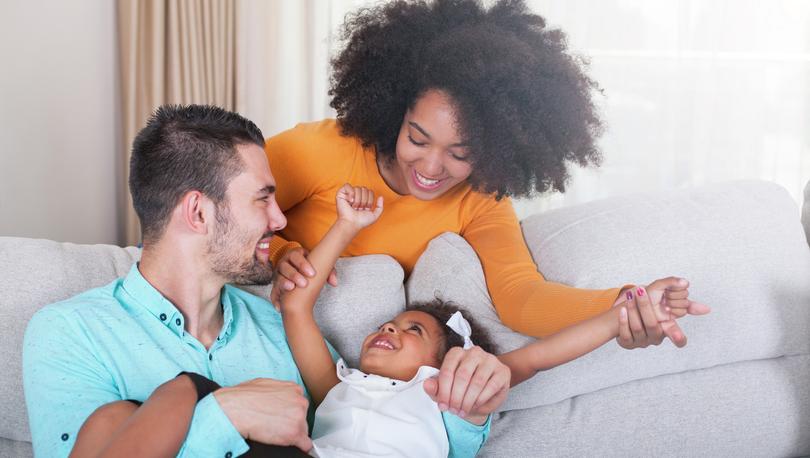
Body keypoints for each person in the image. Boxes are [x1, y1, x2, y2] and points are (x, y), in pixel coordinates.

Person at [22, 104, 509, 457]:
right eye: (263, 199)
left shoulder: (282, 329)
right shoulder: (70, 332)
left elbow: (381, 429)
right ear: (197, 211)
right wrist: (223, 416)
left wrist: (469, 411)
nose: (281, 220)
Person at [265, 0, 709, 349]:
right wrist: (278, 251)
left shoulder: (480, 203)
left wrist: (625, 303)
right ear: (393, 112)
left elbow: (520, 297)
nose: (432, 168)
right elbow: (217, 208)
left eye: (461, 153)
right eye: (417, 139)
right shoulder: (320, 150)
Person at [278, 184, 687, 456]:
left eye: (412, 329)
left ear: (442, 363)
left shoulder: (450, 393)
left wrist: (623, 314)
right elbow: (296, 307)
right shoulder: (335, 385)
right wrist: (347, 225)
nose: (389, 328)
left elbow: (536, 358)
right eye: (391, 323)